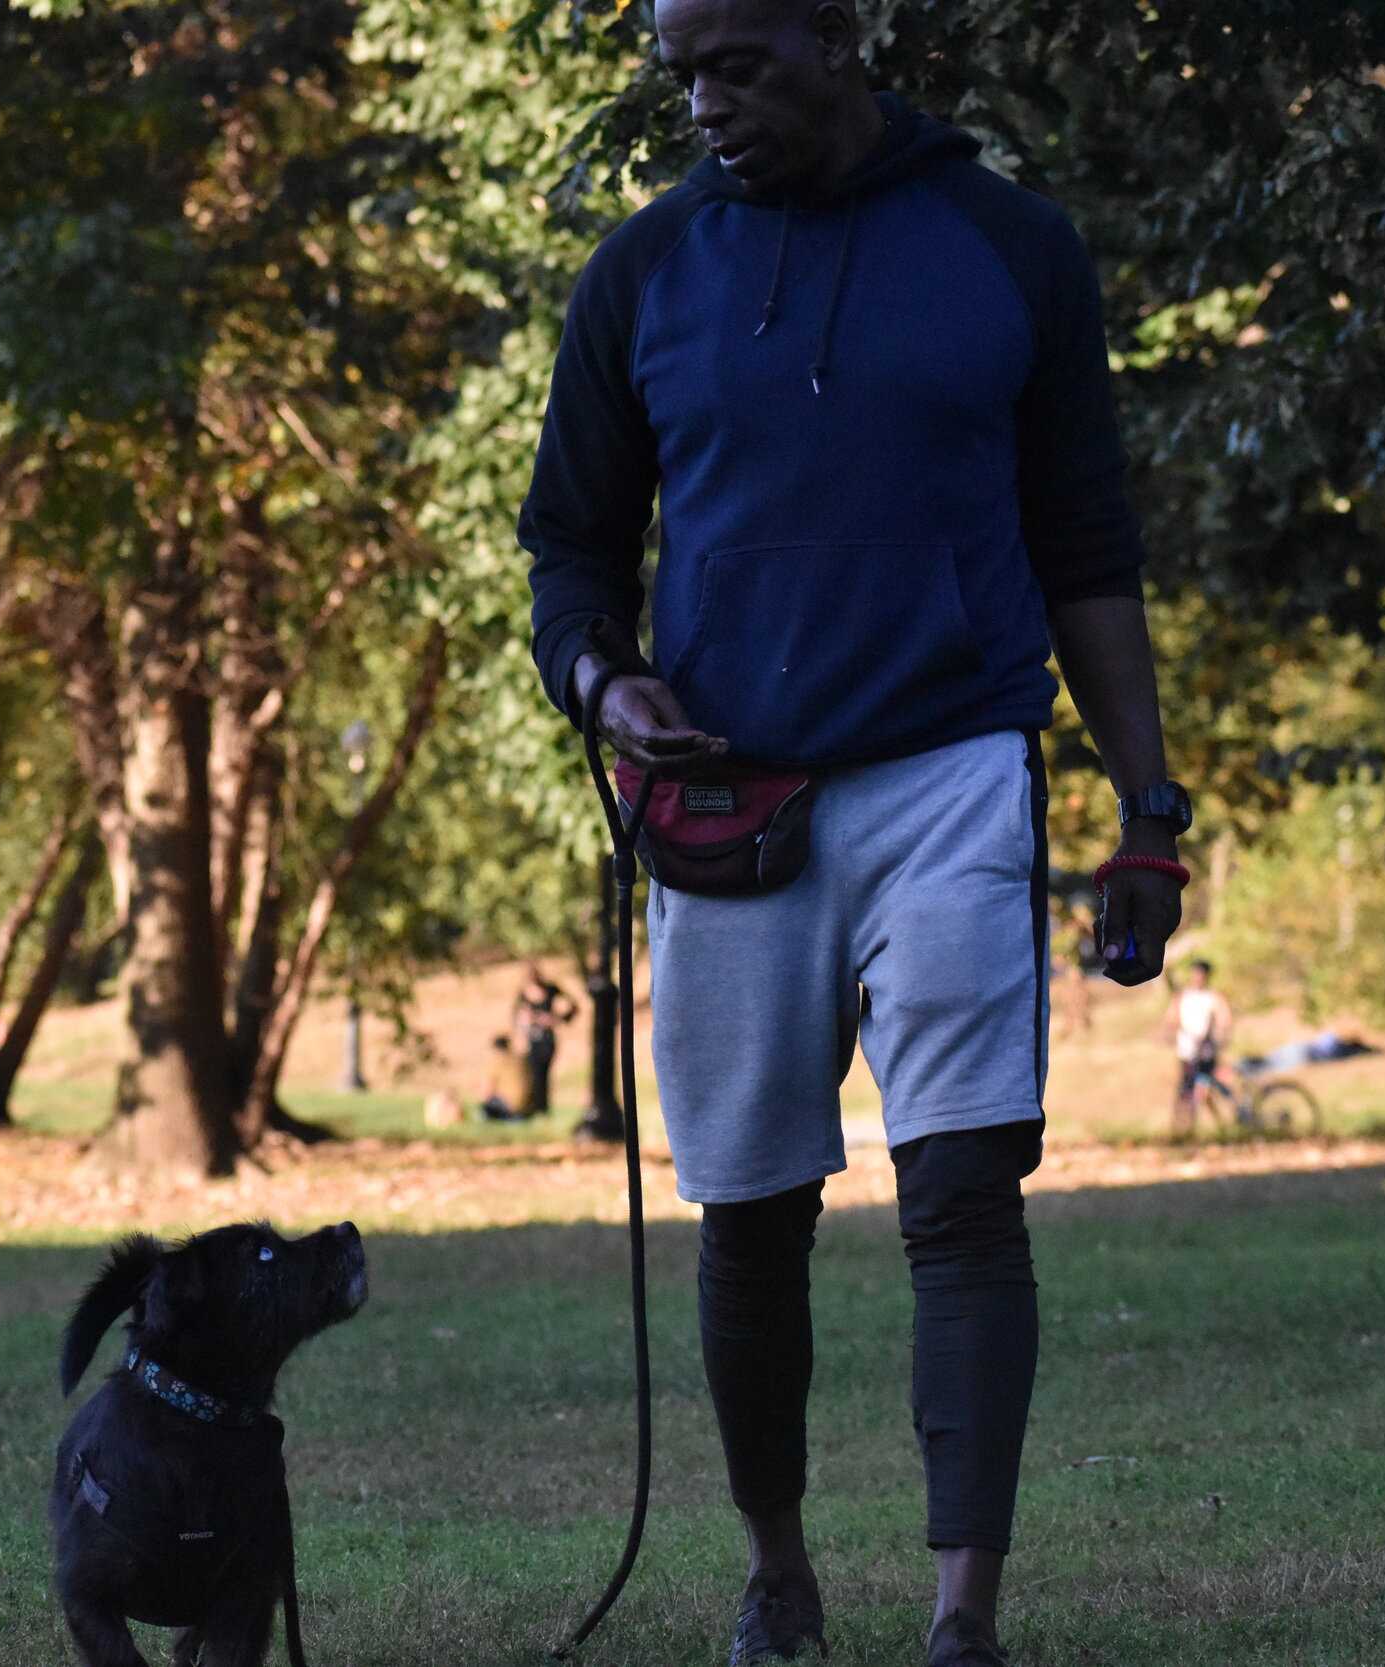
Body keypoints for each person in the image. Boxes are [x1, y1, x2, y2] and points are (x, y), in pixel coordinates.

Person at [519, 1, 1187, 1659]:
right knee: (752, 1216)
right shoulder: (640, 275)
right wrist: (604, 679)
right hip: (730, 805)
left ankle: (966, 1618)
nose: (703, 101)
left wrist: (1149, 805)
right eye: (680, 74)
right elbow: (570, 553)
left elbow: (1087, 543)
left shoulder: (1009, 245)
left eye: (734, 63)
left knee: (962, 1190)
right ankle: (779, 1574)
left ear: (834, 35)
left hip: (951, 769)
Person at [1163, 961, 1233, 1137]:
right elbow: (1172, 1017)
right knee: (1186, 1093)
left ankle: (1216, 1127)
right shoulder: (1183, 996)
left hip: (1206, 1054)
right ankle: (1184, 1128)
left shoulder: (1213, 997)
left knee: (1202, 1091)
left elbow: (1224, 1019)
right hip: (1187, 1052)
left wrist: (1219, 1039)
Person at [512, 962, 580, 1116]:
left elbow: (574, 1006)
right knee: (533, 1073)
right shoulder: (523, 994)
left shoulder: (551, 989)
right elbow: (516, 1016)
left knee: (545, 1074)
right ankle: (535, 1107)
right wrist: (526, 1021)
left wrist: (558, 1019)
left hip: (547, 1039)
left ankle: (544, 1108)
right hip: (532, 1039)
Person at [478, 1035, 528, 1122]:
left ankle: (510, 1117)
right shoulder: (519, 1059)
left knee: (485, 1108)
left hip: (510, 1102)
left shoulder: (499, 1063)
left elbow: (488, 1088)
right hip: (526, 1102)